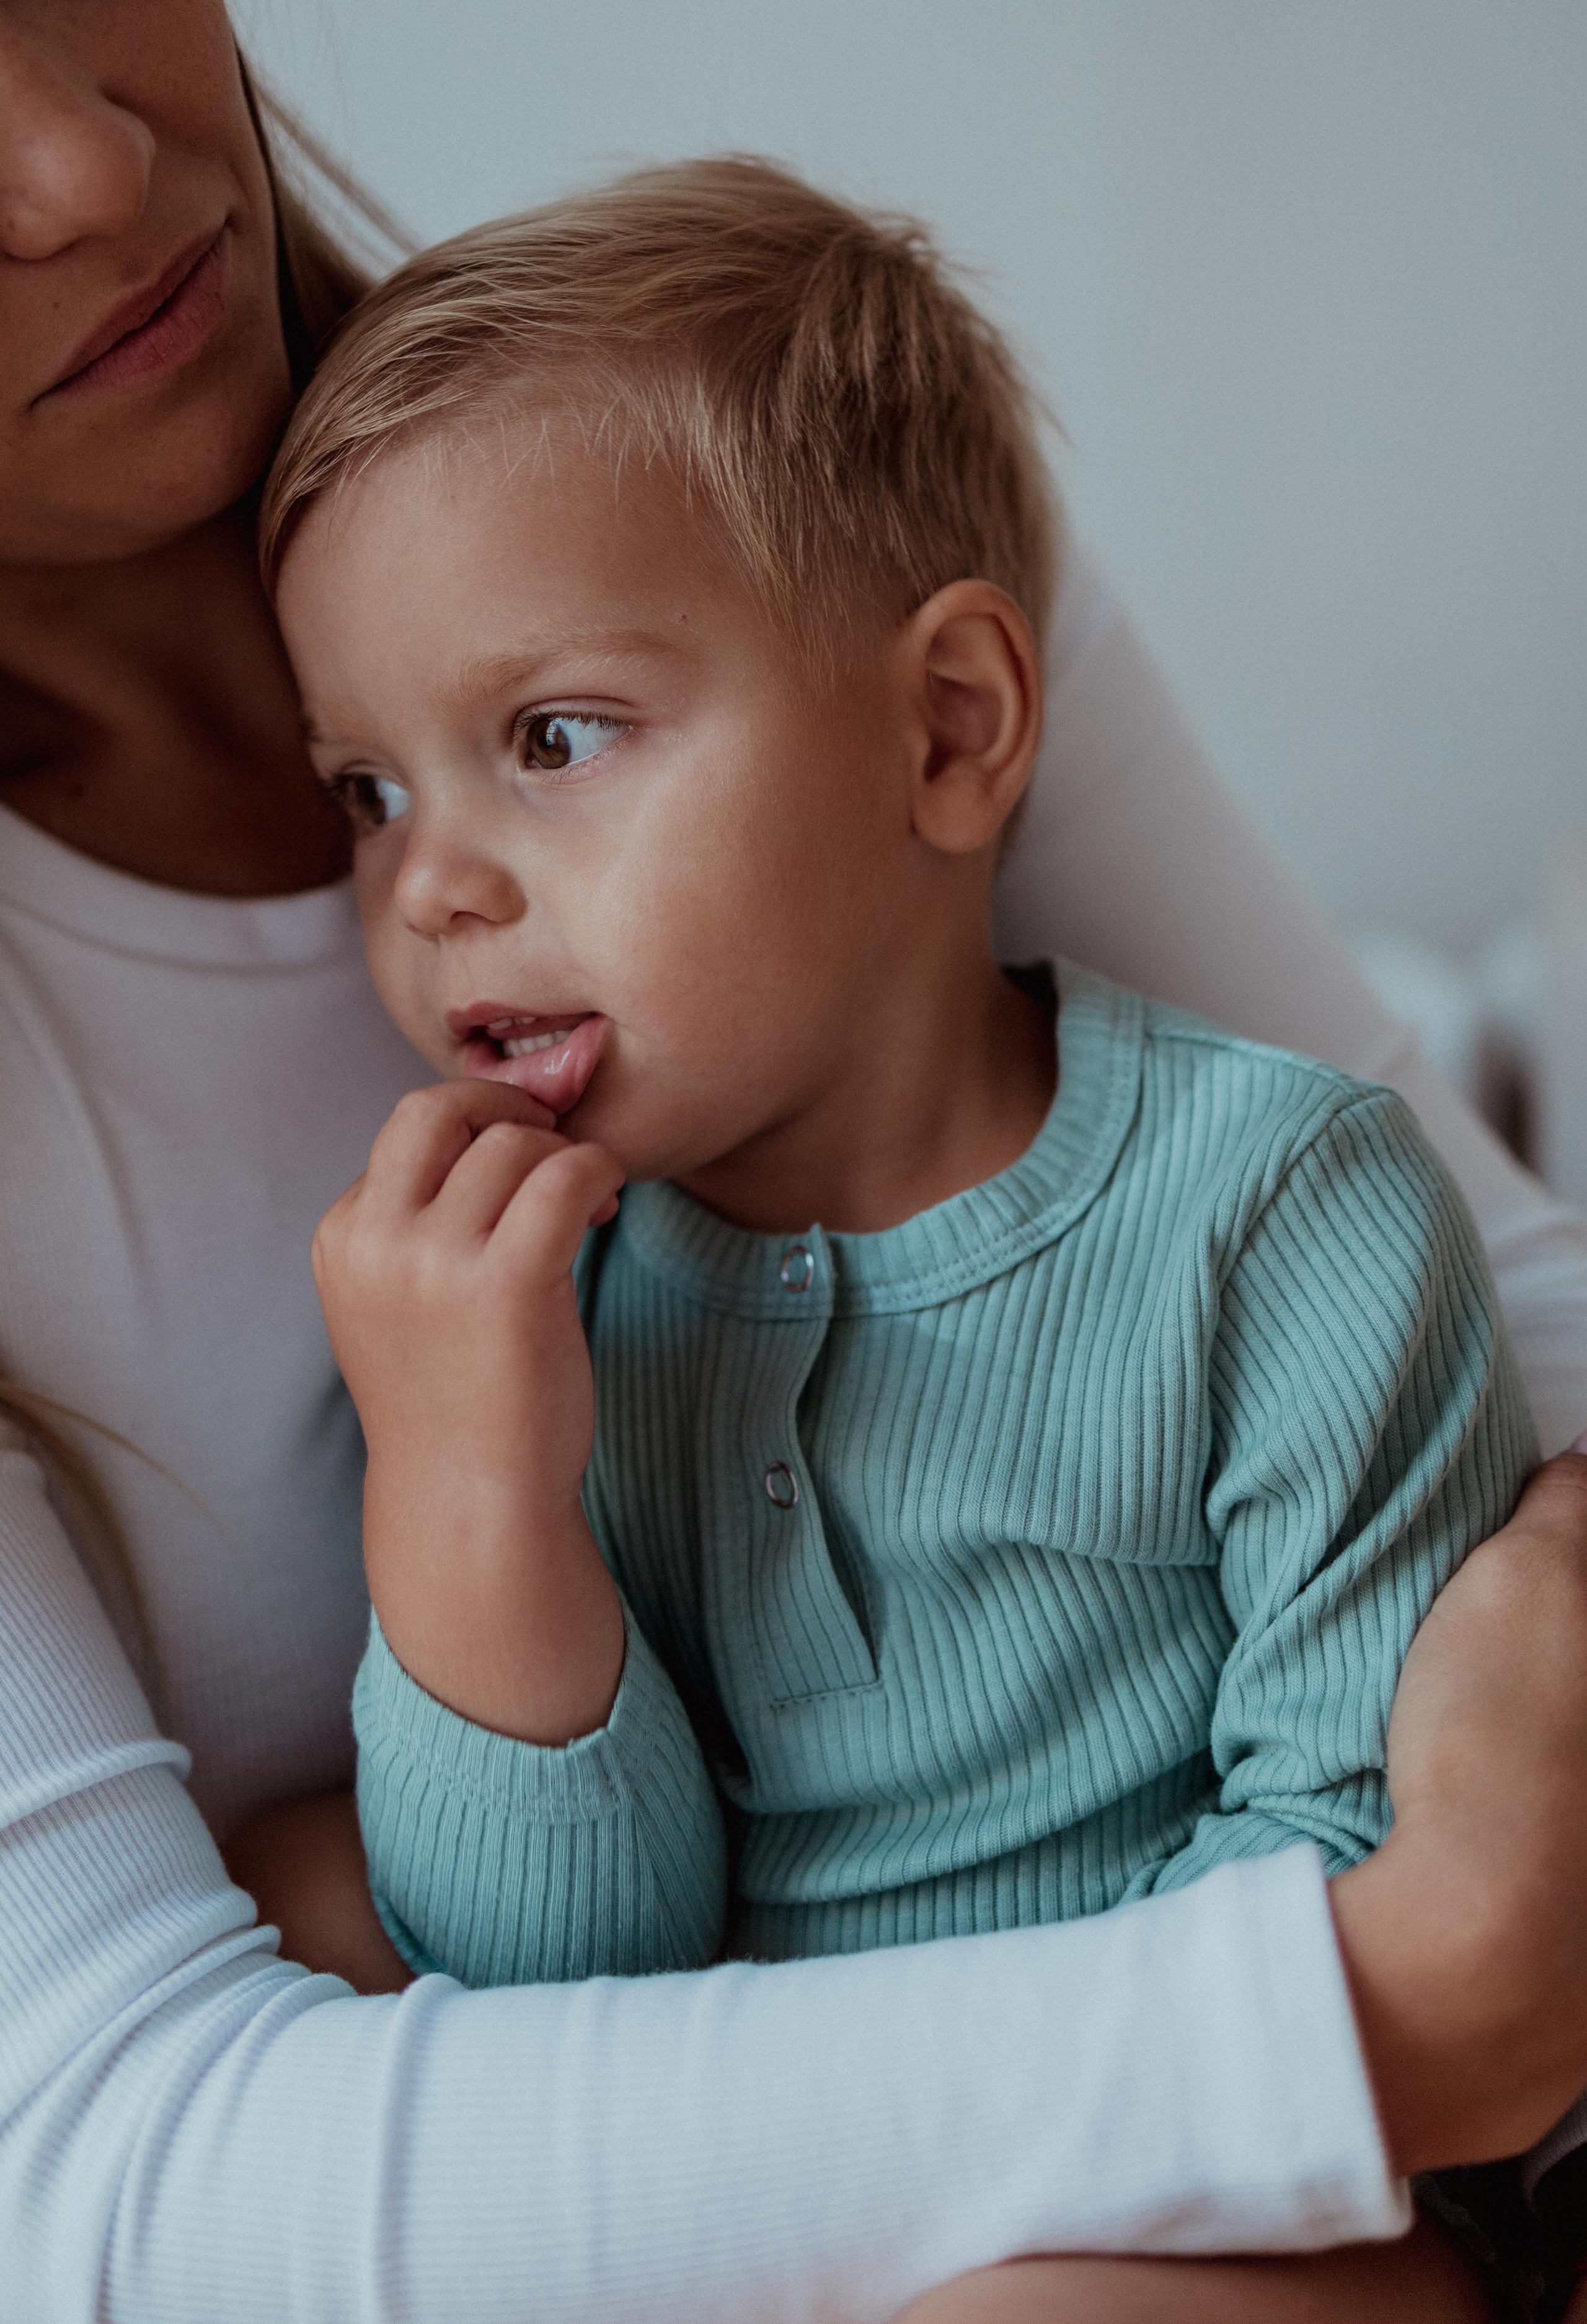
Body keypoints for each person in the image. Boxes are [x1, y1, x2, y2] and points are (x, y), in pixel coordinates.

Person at [2, 7, 1587, 2321]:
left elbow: (1379, 1819)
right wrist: (470, 1510)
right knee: (316, 1886)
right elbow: (534, 1971)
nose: (72, 164)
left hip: (1251, 2173)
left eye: (550, 741)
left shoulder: (1271, 1203)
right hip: (822, 2114)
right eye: (371, 796)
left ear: (951, 726)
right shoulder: (599, 1317)